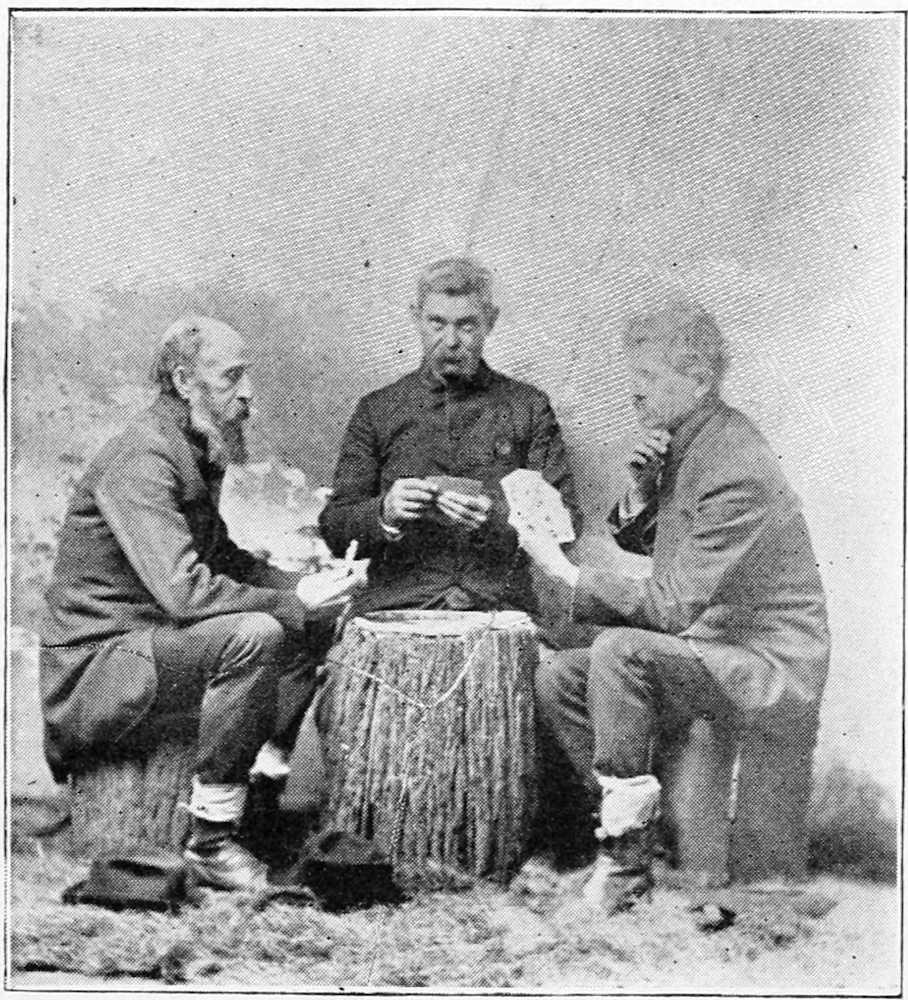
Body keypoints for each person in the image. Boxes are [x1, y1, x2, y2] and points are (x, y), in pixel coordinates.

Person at [520, 301, 830, 913]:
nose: (635, 393)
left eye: (649, 377)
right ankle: (635, 840)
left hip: (768, 656)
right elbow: (671, 549)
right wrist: (642, 491)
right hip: (713, 642)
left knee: (620, 650)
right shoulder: (694, 441)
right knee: (559, 676)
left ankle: (623, 868)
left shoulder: (733, 461)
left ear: (700, 380)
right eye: (633, 376)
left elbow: (669, 608)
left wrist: (563, 571)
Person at [40, 315, 363, 891]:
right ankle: (211, 839)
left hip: (152, 648)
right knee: (256, 635)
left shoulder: (188, 448)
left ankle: (257, 798)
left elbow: (224, 562)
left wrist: (310, 583)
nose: (248, 394)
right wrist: (291, 602)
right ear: (184, 381)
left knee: (310, 624)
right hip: (98, 667)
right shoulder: (143, 457)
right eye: (231, 376)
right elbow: (185, 591)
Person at [319, 256, 580, 615]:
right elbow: (335, 529)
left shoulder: (528, 407)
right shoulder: (377, 409)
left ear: (490, 321)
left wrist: (496, 516)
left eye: (467, 325)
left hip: (497, 610)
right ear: (416, 318)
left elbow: (568, 524)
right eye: (437, 324)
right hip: (398, 608)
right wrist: (386, 511)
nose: (451, 341)